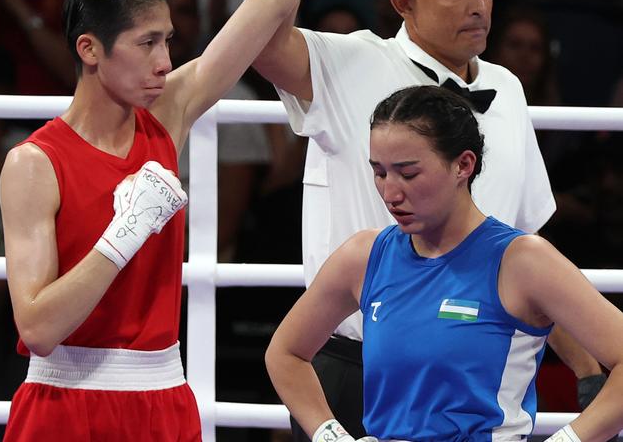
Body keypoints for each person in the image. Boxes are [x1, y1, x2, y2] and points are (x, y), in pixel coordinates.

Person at [253, 0, 605, 439]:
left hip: (471, 359)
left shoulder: (506, 87)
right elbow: (259, 35)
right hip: (351, 357)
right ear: (404, 0)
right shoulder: (350, 61)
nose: (480, 5)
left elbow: (527, 246)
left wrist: (587, 370)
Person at [0, 0, 322, 439]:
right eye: (147, 42)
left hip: (164, 399)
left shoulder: (169, 113)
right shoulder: (34, 164)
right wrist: (124, 234)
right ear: (90, 49)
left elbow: (268, 3)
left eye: (167, 40)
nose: (165, 62)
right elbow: (39, 330)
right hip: (66, 404)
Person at [265, 85, 623, 442]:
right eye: (380, 172)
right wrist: (333, 437)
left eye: (408, 173)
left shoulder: (522, 261)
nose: (391, 193)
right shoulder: (364, 255)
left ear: (463, 165)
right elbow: (285, 353)